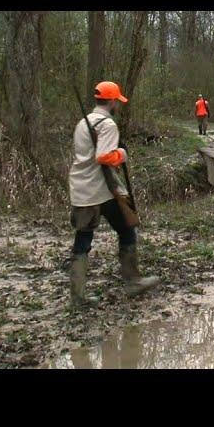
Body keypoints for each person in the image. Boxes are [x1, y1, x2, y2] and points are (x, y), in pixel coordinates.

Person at [68, 81, 160, 307]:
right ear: (111, 101)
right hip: (102, 189)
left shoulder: (83, 123)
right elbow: (104, 156)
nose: (117, 104)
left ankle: (77, 296)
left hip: (82, 188)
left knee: (83, 239)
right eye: (116, 100)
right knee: (127, 229)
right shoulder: (107, 124)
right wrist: (122, 153)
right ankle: (132, 282)